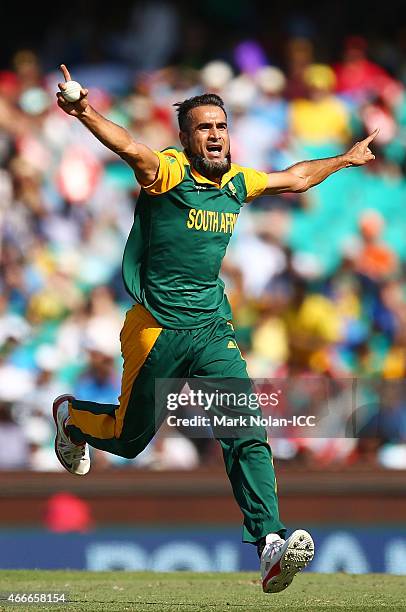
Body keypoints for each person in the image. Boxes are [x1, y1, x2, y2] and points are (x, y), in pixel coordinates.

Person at [53, 64, 377, 593]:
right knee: (131, 440)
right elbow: (132, 149)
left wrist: (345, 158)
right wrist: (84, 109)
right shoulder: (170, 172)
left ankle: (270, 543)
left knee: (246, 428)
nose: (215, 135)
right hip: (156, 330)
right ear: (185, 137)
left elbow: (294, 179)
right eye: (203, 127)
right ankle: (72, 418)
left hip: (211, 329)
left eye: (220, 127)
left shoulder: (235, 182)